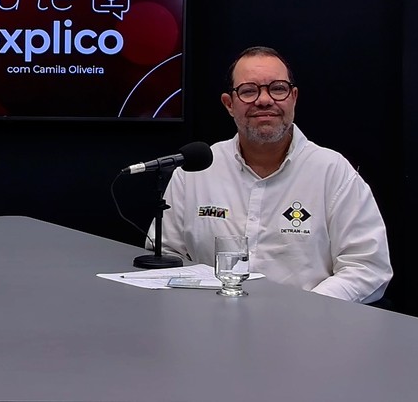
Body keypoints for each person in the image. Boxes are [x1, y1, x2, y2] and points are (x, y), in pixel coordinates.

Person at [147, 46, 392, 303]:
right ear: (229, 104)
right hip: (209, 319)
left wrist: (307, 310)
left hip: (306, 322)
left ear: (293, 98)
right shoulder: (195, 172)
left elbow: (367, 267)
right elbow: (165, 255)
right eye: (248, 91)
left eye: (277, 88)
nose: (264, 100)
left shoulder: (332, 172)